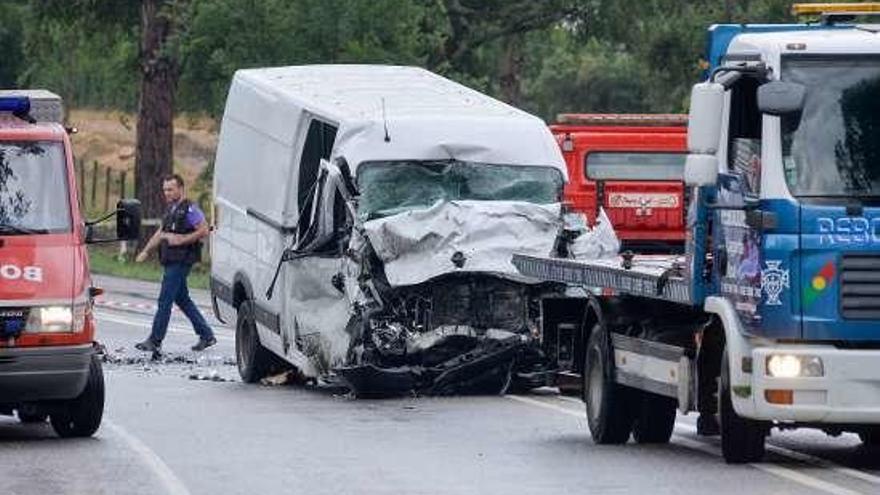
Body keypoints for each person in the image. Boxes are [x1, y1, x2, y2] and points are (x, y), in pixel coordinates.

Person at [134, 174, 216, 352]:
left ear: (181, 188)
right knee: (182, 299)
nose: (167, 193)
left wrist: (182, 239)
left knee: (165, 300)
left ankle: (155, 340)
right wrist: (146, 250)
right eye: (165, 189)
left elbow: (204, 229)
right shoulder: (171, 209)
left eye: (170, 189)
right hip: (171, 260)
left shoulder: (190, 209)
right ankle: (207, 335)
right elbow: (160, 233)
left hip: (181, 260)